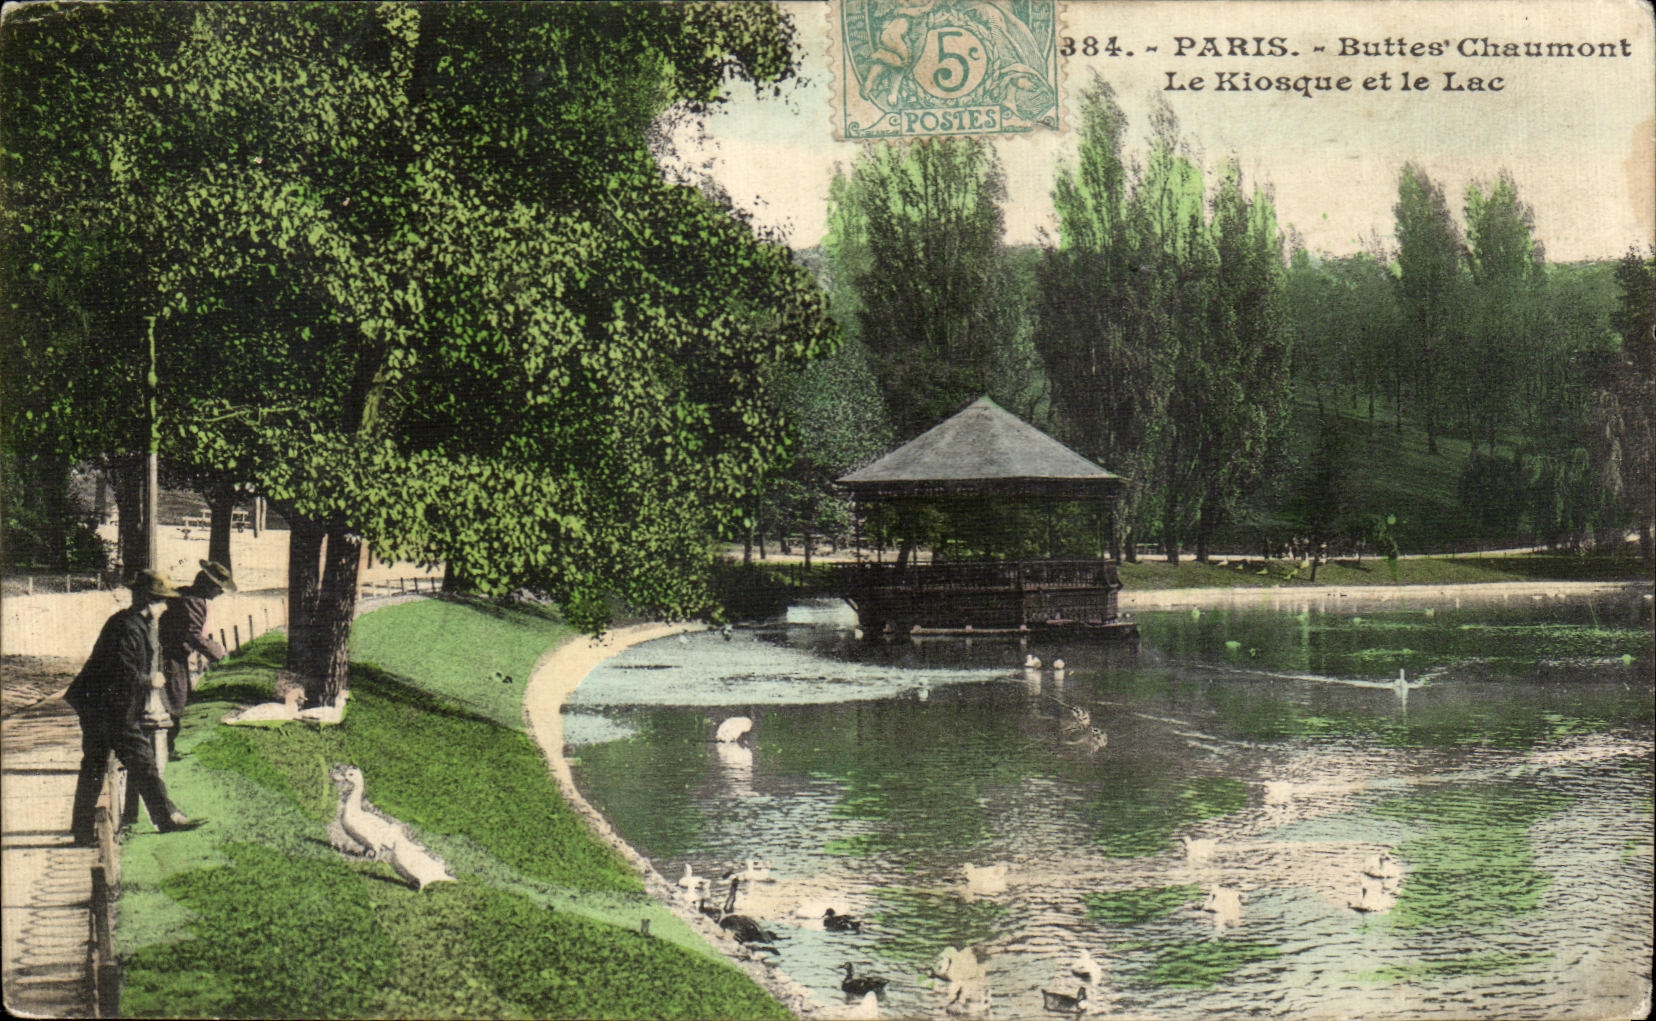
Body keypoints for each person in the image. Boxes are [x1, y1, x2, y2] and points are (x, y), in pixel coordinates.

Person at [66, 570, 206, 844]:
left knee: (97, 766)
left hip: (104, 704)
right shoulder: (128, 627)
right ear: (149, 602)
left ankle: (82, 831)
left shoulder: (134, 623)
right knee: (140, 761)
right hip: (106, 706)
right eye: (162, 601)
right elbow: (121, 672)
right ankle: (166, 819)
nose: (165, 607)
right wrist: (150, 680)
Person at [158, 559, 234, 760]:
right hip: (171, 656)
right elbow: (192, 634)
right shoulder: (194, 601)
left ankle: (167, 747)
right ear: (207, 585)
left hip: (173, 655)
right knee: (176, 700)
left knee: (177, 698)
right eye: (218, 588)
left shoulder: (186, 596)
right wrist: (218, 653)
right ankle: (164, 749)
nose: (220, 593)